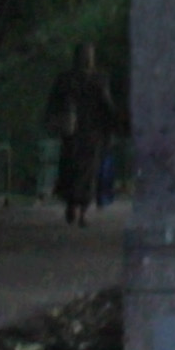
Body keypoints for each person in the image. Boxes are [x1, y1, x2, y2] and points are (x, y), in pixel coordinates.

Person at [44, 45, 119, 225]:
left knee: (83, 171)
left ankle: (80, 209)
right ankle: (75, 206)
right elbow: (107, 106)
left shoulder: (76, 79)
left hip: (86, 133)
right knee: (77, 171)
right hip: (79, 132)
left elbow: (107, 107)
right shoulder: (82, 79)